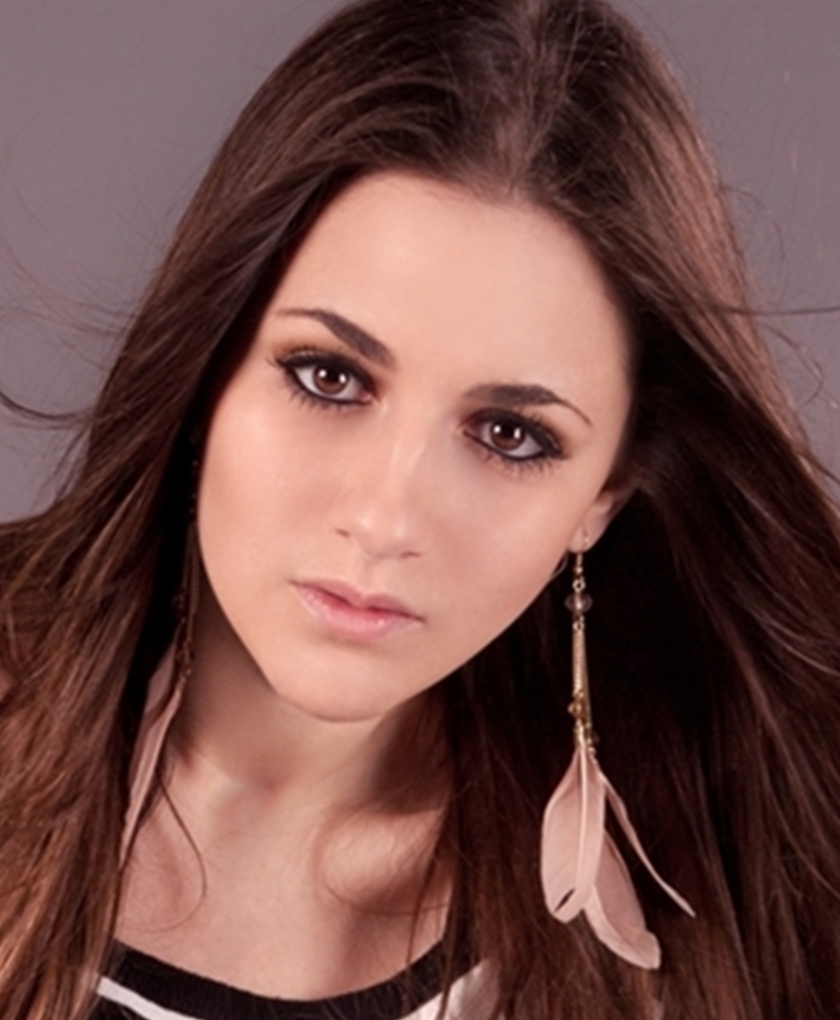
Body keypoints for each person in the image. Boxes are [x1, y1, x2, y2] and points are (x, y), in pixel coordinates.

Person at [1, 0, 839, 1017]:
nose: (385, 518)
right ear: (208, 364)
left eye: (511, 435)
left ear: (603, 499)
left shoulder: (716, 913)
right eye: (328, 377)